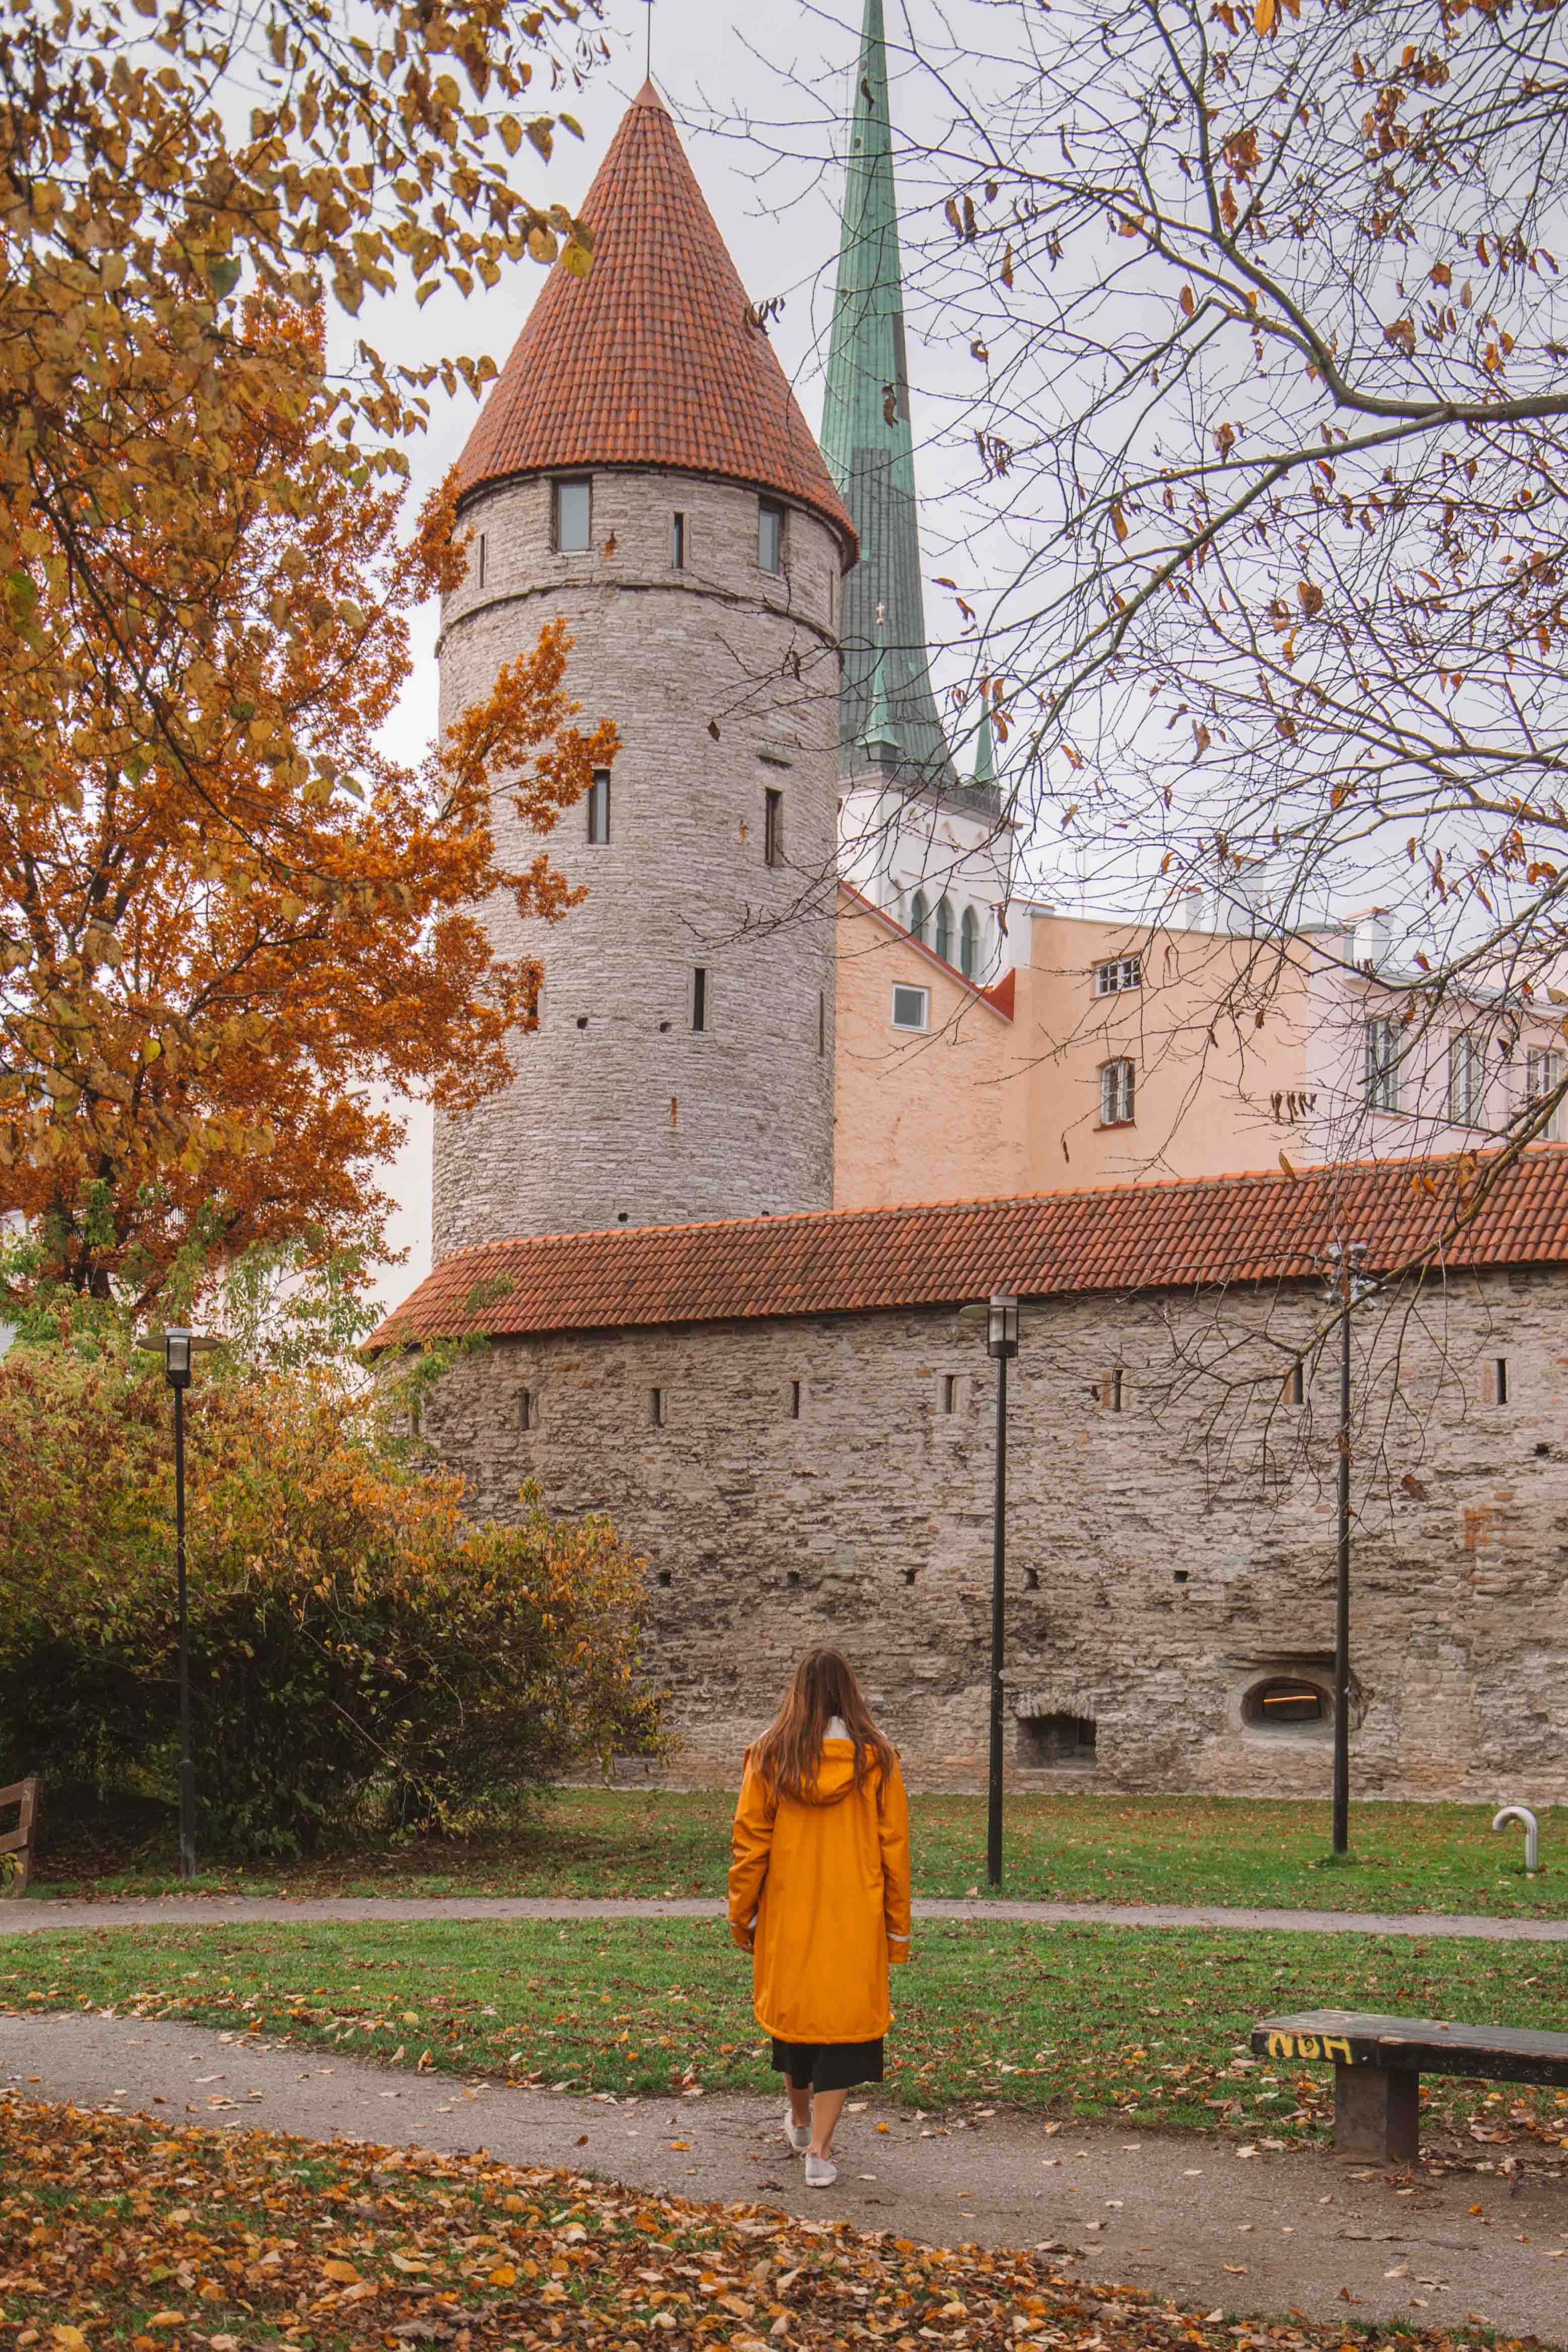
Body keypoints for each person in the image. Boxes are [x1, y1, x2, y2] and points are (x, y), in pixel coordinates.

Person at [728, 1646, 911, 2188]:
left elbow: (749, 1843)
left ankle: (802, 2122)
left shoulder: (768, 1755)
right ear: (850, 1694)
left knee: (798, 2023)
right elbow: (893, 1848)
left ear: (797, 1693)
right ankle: (822, 2153)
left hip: (789, 1913)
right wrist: (896, 1927)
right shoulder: (876, 1759)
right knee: (844, 2031)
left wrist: (743, 1915)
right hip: (854, 1916)